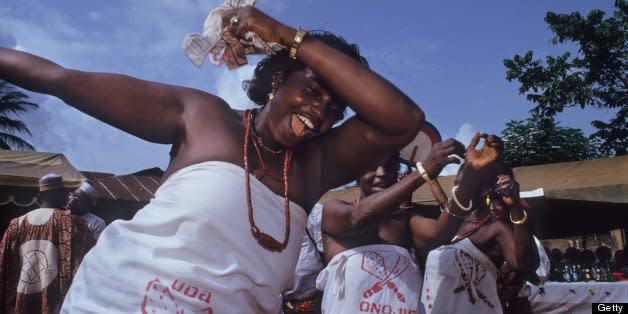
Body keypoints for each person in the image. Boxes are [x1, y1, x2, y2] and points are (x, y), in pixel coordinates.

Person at [0, 6, 424, 312]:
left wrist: (289, 36)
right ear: (278, 78)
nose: (320, 112)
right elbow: (58, 79)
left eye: (335, 109)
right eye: (312, 91)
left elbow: (404, 120)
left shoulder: (316, 167)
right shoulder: (202, 117)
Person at [316, 134, 502, 313]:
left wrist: (472, 172)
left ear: (397, 171)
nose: (381, 173)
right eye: (372, 166)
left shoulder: (405, 221)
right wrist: (423, 172)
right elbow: (357, 216)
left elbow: (441, 233)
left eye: (390, 167)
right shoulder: (335, 211)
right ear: (357, 172)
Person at [421, 160, 537, 314]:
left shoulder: (495, 227)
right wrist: (429, 178)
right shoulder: (452, 222)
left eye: (466, 184)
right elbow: (443, 201)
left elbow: (523, 263)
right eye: (457, 183)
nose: (458, 189)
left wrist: (515, 206)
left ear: (484, 189)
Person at [0, 173, 95, 313]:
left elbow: (2, 265)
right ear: (59, 194)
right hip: (56, 305)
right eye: (65, 192)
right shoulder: (75, 224)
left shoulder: (16, 224)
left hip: (20, 304)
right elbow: (86, 268)